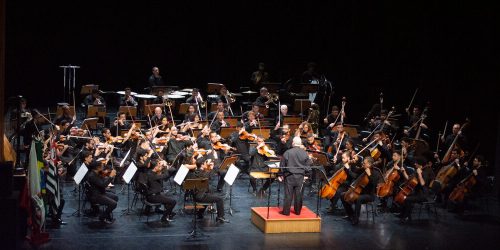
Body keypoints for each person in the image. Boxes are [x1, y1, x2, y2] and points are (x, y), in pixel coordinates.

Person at [340, 156, 382, 225]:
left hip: (369, 195)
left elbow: (374, 184)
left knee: (358, 199)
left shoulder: (375, 172)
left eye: (364, 163)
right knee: (342, 195)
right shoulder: (363, 169)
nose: (363, 164)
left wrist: (369, 175)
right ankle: (351, 215)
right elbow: (355, 175)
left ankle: (356, 219)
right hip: (360, 192)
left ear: (369, 164)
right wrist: (349, 168)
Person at [279, 137, 312, 216]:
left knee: (288, 195)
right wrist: (306, 175)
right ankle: (297, 212)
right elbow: (308, 166)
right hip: (300, 177)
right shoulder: (304, 153)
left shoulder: (288, 152)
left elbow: (282, 165)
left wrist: (281, 175)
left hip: (289, 176)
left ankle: (286, 212)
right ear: (300, 144)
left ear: (293, 143)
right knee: (298, 195)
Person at [398, 157, 429, 222]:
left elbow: (423, 184)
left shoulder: (425, 172)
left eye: (416, 163)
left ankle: (406, 216)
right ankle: (403, 214)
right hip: (416, 193)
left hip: (422, 194)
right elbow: (408, 179)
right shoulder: (416, 171)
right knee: (404, 197)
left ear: (420, 165)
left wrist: (420, 174)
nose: (415, 164)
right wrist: (404, 172)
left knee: (407, 199)